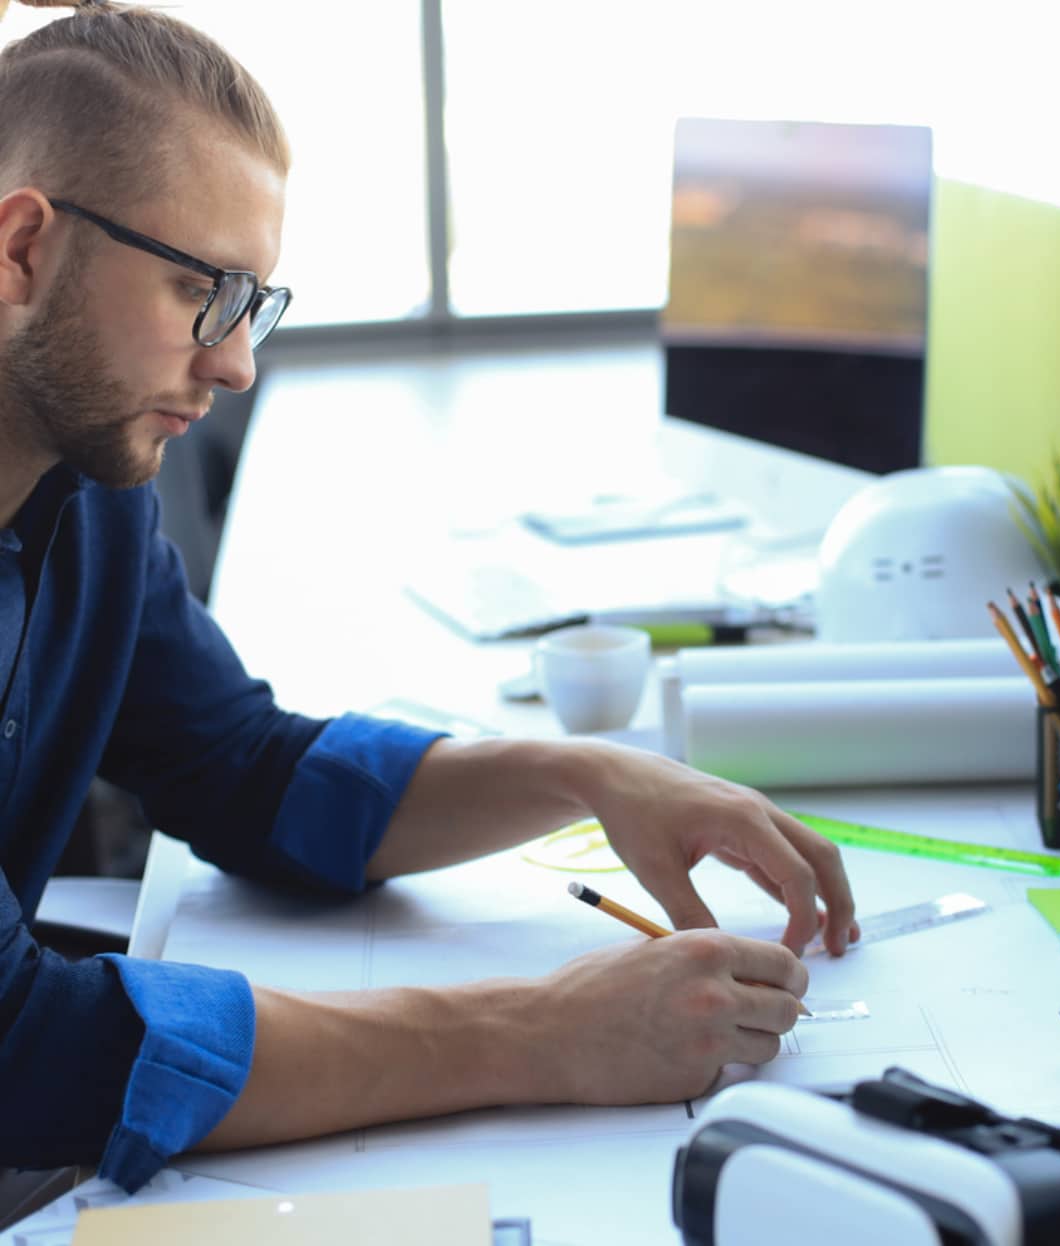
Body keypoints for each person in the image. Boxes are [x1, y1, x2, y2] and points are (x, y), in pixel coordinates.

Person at [0, 0, 857, 1195]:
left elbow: (241, 770)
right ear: (22, 248)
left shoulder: (88, 487)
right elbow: (21, 1048)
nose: (238, 361)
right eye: (202, 288)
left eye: (254, 302)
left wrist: (587, 775)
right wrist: (543, 1032)